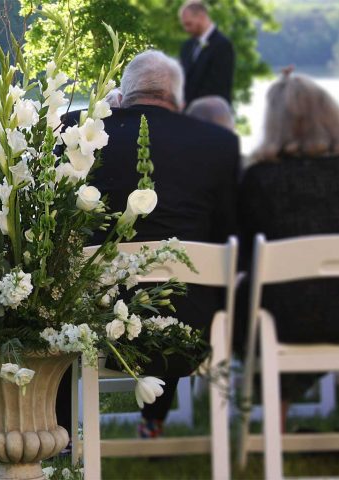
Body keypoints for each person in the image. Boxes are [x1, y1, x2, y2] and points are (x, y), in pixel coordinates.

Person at [57, 50, 239, 439]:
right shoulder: (218, 143)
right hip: (191, 330)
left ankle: (60, 434)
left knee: (54, 276)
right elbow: (230, 234)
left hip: (90, 325)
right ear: (179, 100)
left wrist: (99, 114)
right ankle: (152, 423)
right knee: (178, 285)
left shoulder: (73, 131)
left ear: (121, 97)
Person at [235, 71, 339, 429]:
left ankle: (275, 425)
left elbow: (244, 253)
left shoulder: (258, 179)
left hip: (278, 321)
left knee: (260, 296)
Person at [179, 0, 235, 105]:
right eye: (184, 25)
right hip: (186, 115)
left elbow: (219, 87)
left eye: (189, 24)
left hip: (211, 113)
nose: (186, 29)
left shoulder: (223, 45)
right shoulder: (187, 46)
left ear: (201, 16)